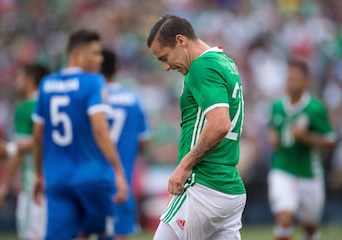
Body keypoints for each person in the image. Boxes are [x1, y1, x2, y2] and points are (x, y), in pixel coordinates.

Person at [146, 15, 246, 240]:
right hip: (228, 188)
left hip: (203, 184)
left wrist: (184, 166)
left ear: (181, 41)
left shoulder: (202, 66)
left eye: (164, 57)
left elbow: (220, 124)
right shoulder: (225, 62)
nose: (165, 67)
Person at [32, 29, 128, 240]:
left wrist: (39, 173)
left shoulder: (46, 85)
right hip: (92, 177)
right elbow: (100, 128)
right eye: (95, 53)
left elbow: (38, 136)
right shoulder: (93, 82)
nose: (100, 59)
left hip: (57, 179)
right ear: (76, 55)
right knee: (104, 233)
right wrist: (118, 170)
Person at [268, 58, 338, 240]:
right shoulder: (277, 106)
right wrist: (273, 137)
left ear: (306, 82)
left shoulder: (315, 109)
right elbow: (273, 129)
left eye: (295, 79)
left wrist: (306, 137)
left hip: (309, 173)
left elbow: (331, 141)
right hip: (283, 169)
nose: (290, 83)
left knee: (310, 227)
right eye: (289, 78)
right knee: (284, 219)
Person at [0, 63, 49, 240]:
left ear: (31, 80)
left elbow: (19, 150)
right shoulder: (50, 105)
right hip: (55, 183)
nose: (16, 82)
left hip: (33, 185)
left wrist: (4, 183)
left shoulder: (26, 107)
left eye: (20, 78)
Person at [101, 49, 151, 240]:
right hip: (123, 179)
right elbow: (143, 141)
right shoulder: (133, 100)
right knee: (121, 233)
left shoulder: (92, 98)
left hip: (94, 177)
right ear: (117, 69)